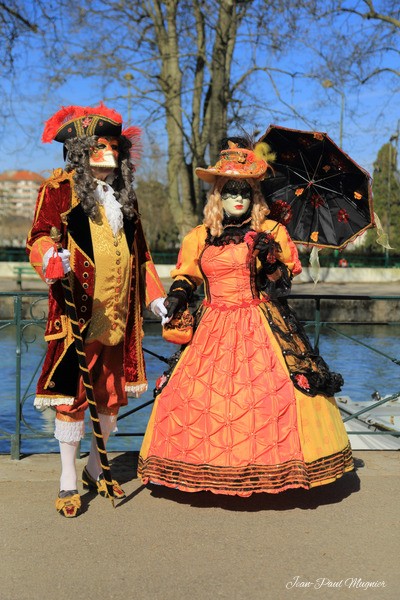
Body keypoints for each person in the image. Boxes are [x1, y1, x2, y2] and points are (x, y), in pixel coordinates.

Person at [138, 139, 354, 496]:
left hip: (259, 323)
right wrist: (175, 299)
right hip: (211, 325)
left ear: (255, 197)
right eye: (230, 192)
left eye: (245, 193)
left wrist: (268, 259)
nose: (238, 200)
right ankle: (202, 470)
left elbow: (281, 283)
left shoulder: (271, 232)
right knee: (196, 397)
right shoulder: (200, 236)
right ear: (217, 197)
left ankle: (274, 471)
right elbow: (188, 277)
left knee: (267, 398)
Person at [27, 104, 167, 517]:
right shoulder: (59, 189)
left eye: (110, 146)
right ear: (78, 153)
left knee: (110, 393)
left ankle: (94, 465)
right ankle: (67, 477)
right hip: (77, 313)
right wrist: (51, 257)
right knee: (72, 395)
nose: (104, 153)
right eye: (95, 147)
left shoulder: (126, 198)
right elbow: (37, 236)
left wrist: (154, 297)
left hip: (120, 314)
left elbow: (141, 255)